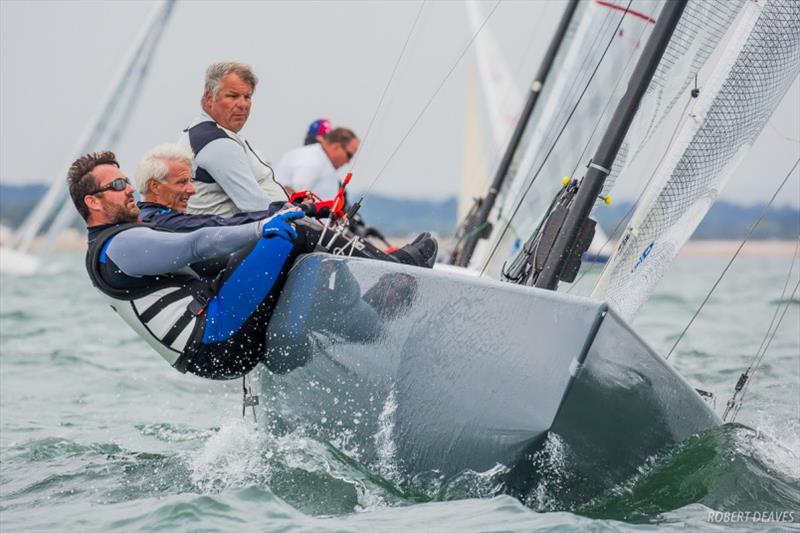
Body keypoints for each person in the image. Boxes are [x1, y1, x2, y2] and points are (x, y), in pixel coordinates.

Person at [69, 150, 306, 380]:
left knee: (254, 249)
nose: (130, 189)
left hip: (213, 349)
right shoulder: (122, 245)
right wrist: (262, 226)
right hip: (218, 337)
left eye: (126, 181)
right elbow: (195, 244)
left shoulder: (106, 245)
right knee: (289, 231)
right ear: (93, 202)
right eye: (118, 186)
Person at [132, 144, 438, 267]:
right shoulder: (162, 223)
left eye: (190, 182)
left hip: (232, 272)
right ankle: (394, 269)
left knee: (294, 225)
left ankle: (377, 277)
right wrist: (291, 214)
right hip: (226, 286)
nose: (190, 190)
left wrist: (296, 207)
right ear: (155, 187)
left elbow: (224, 223)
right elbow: (221, 226)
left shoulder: (160, 216)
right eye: (182, 183)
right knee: (297, 229)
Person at [179, 61, 288, 217]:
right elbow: (257, 206)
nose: (243, 104)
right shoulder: (215, 141)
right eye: (233, 96)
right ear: (209, 98)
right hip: (237, 236)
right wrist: (301, 216)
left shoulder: (211, 132)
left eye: (247, 97)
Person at [277, 127, 358, 199]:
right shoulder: (313, 160)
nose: (348, 162)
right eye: (349, 155)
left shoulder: (322, 159)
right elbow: (295, 195)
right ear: (336, 147)